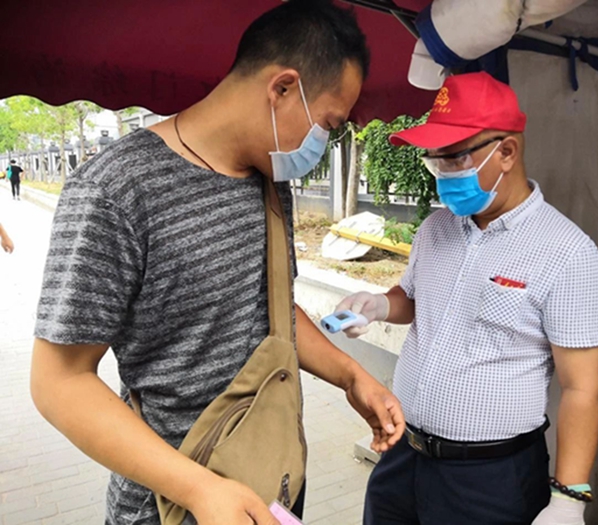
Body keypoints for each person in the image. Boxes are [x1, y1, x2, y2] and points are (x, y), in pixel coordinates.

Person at [30, 2, 405, 525]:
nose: (326, 142)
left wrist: (351, 376)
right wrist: (203, 491)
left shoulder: (270, 182)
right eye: (329, 124)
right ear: (282, 88)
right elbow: (59, 383)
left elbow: (268, 308)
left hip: (271, 484)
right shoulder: (116, 189)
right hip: (173, 506)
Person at [335, 72, 598, 525]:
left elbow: (583, 387)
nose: (444, 174)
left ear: (506, 152)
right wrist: (380, 304)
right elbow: (415, 298)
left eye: (456, 158)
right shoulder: (435, 228)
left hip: (490, 479)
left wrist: (568, 498)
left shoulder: (566, 252)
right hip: (404, 455)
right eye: (436, 161)